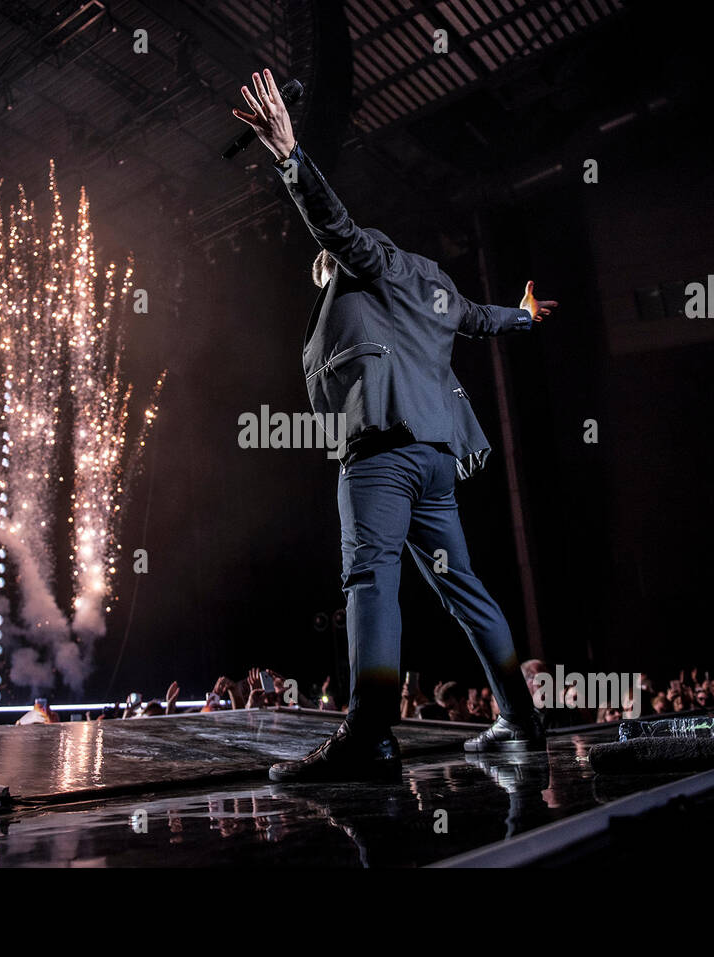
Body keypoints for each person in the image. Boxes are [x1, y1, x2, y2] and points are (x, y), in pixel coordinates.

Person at [231, 69, 558, 783]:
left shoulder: (366, 260)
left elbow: (335, 224)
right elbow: (477, 318)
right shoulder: (432, 278)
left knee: (369, 576)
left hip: (383, 454)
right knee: (463, 585)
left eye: (326, 273)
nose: (326, 281)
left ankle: (370, 735)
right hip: (437, 458)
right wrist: (526, 316)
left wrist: (288, 153)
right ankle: (520, 721)